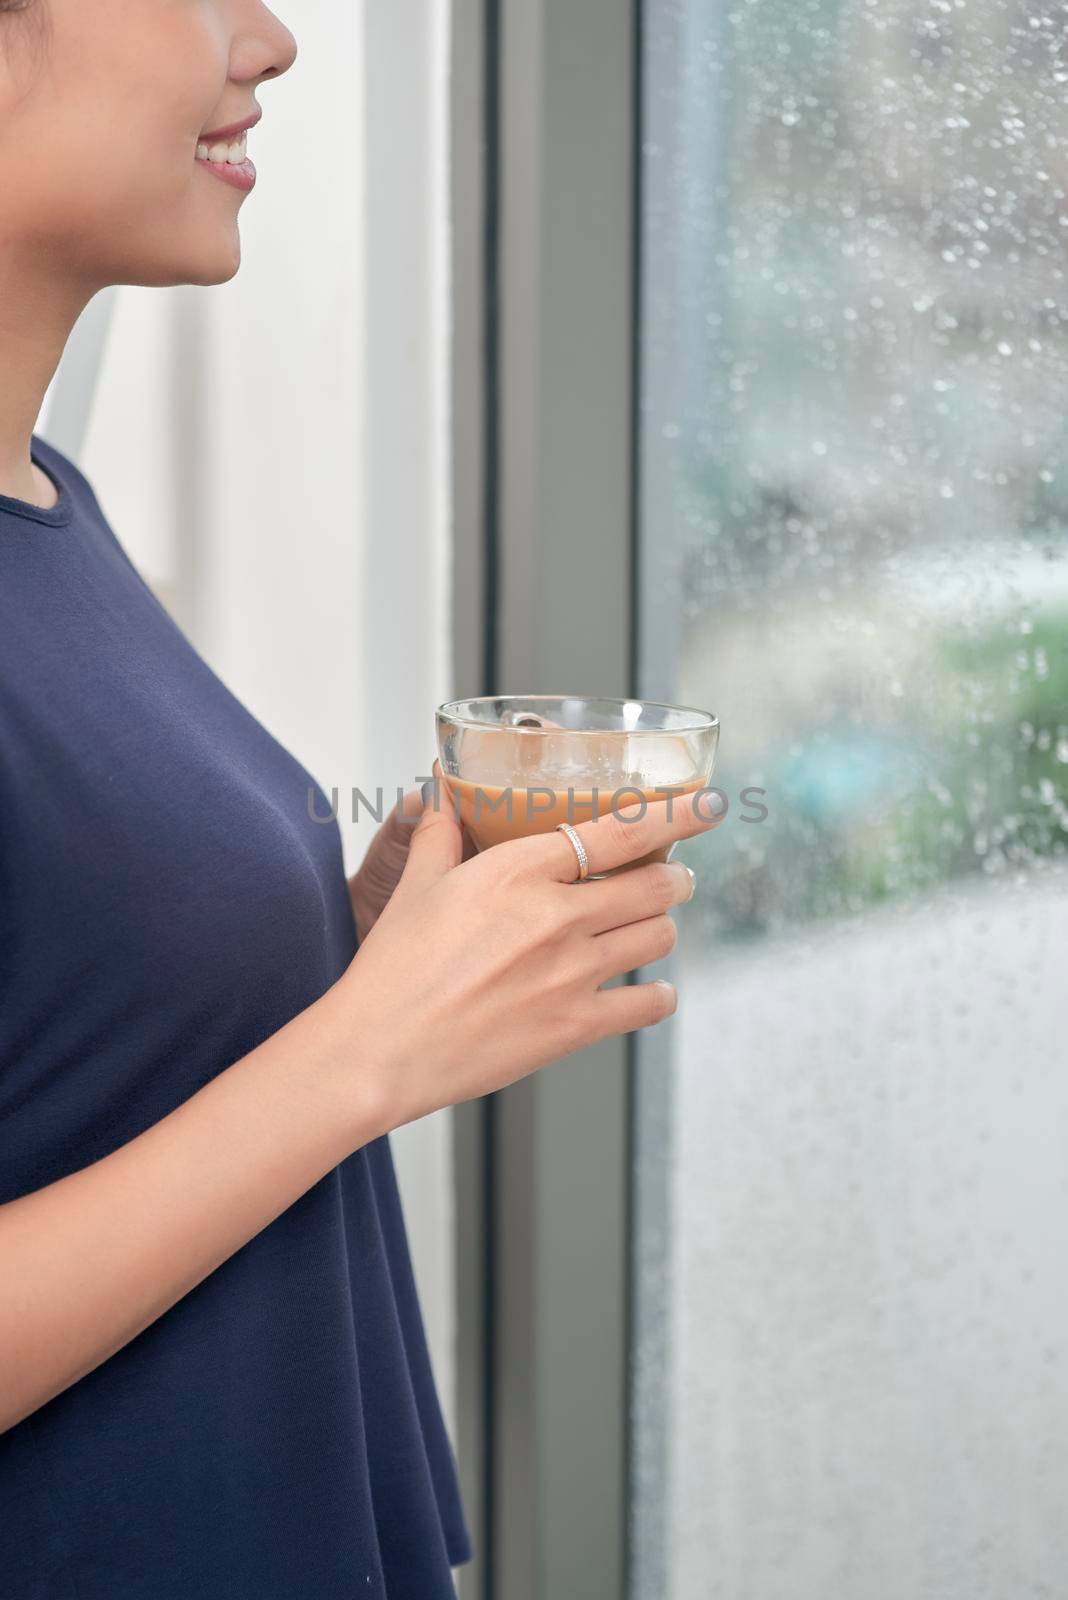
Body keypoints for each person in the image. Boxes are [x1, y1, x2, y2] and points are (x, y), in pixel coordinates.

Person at [0, 2, 720, 1596]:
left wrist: (354, 944)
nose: (267, 39)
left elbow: (54, 1038)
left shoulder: (50, 504)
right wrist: (366, 1049)